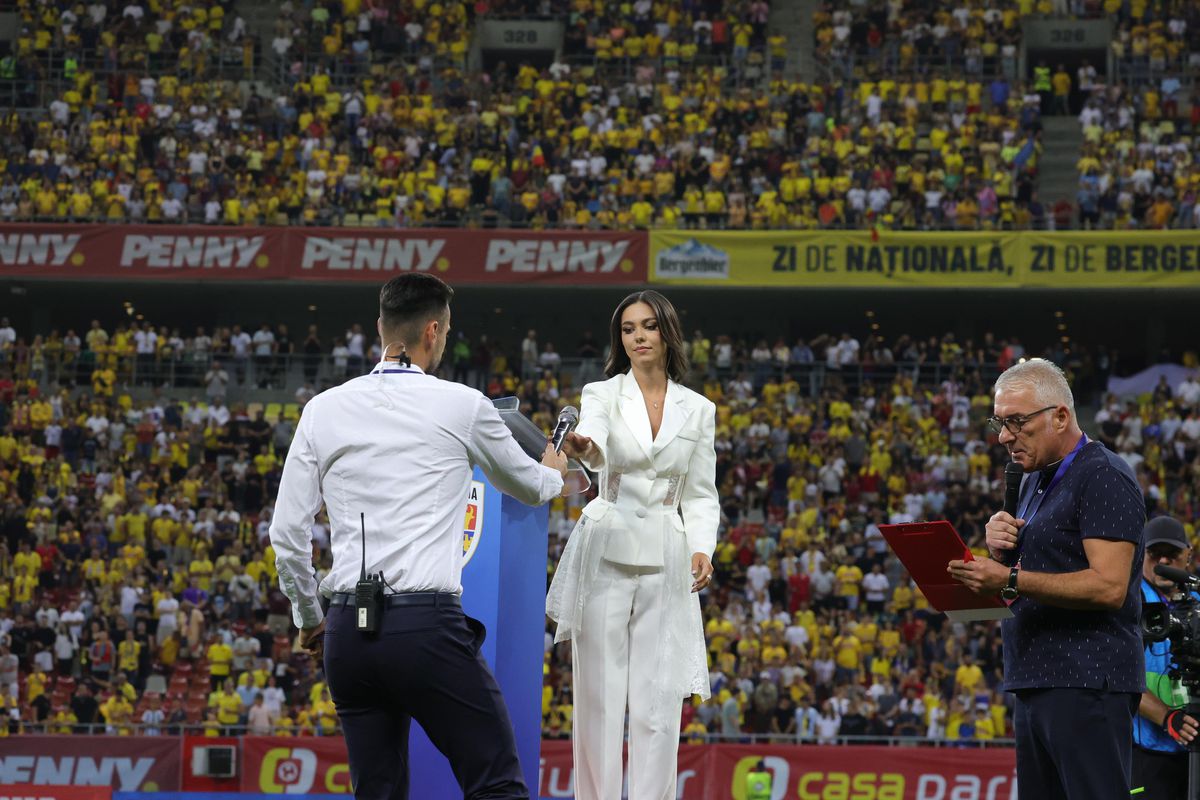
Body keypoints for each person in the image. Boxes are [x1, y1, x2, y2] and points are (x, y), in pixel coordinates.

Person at [270, 273, 568, 800]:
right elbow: (530, 487)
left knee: (377, 792)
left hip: (347, 635)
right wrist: (554, 467)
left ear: (381, 328)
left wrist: (310, 618)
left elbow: (287, 533)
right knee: (496, 782)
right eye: (447, 332)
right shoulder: (462, 404)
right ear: (433, 331)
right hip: (424, 629)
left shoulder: (322, 409)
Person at [547, 289, 718, 800]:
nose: (638, 336)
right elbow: (595, 443)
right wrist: (583, 447)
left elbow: (703, 493)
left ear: (667, 332)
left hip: (670, 554)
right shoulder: (602, 394)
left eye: (647, 326)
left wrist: (703, 547)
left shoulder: (700, 409)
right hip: (605, 548)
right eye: (628, 329)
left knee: (658, 702)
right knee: (598, 698)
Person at [948, 357, 1145, 799]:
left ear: (1060, 416)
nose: (1004, 436)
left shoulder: (1103, 475)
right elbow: (1044, 566)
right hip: (1035, 680)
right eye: (999, 423)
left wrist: (1009, 578)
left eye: (1017, 421)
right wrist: (1002, 547)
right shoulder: (1035, 480)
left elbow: (1109, 586)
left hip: (1087, 681)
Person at [1133, 516, 1199, 798]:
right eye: (1153, 554)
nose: (1162, 561)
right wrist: (1167, 717)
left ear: (1188, 555)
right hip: (1148, 755)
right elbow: (1115, 676)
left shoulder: (1196, 603)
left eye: (1171, 554)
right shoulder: (1127, 602)